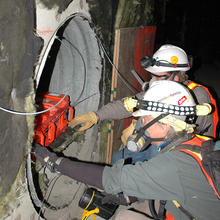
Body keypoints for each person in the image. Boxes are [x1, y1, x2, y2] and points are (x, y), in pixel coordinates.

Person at [34, 80, 220, 220]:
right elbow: (171, 183)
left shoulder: (175, 165)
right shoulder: (196, 142)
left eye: (144, 120)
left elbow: (112, 179)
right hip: (191, 204)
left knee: (125, 218)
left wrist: (54, 161)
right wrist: (130, 196)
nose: (140, 126)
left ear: (164, 125)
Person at [69, 44, 219, 164]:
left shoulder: (197, 96)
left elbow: (179, 132)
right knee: (118, 159)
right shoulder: (160, 88)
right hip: (157, 141)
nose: (154, 81)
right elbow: (129, 104)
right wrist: (96, 116)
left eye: (160, 77)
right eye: (153, 76)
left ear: (177, 75)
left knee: (147, 166)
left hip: (186, 152)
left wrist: (139, 124)